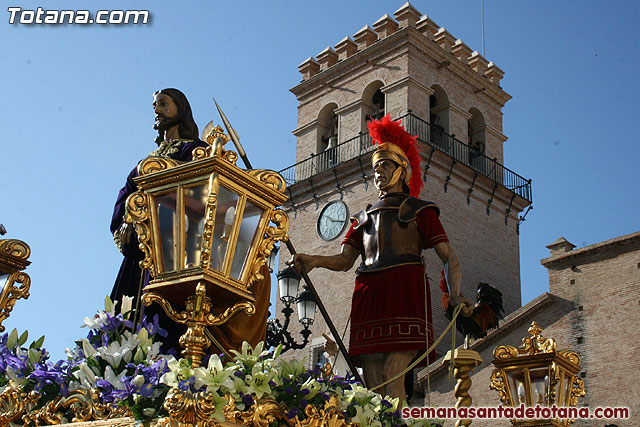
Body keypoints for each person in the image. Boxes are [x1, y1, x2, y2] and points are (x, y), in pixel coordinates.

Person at [291, 115, 473, 402]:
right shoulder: (362, 217)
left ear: (403, 170)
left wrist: (456, 294)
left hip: (405, 291)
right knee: (372, 381)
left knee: (392, 371)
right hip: (368, 293)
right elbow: (344, 260)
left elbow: (449, 257)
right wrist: (313, 260)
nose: (378, 173)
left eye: (386, 165)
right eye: (375, 168)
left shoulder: (420, 210)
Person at [110, 88, 207, 351]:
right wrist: (129, 222)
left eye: (164, 104)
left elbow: (200, 191)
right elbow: (126, 197)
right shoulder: (146, 162)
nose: (157, 109)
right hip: (141, 253)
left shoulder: (196, 151)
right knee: (127, 317)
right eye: (155, 105)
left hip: (175, 253)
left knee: (166, 319)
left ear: (180, 109)